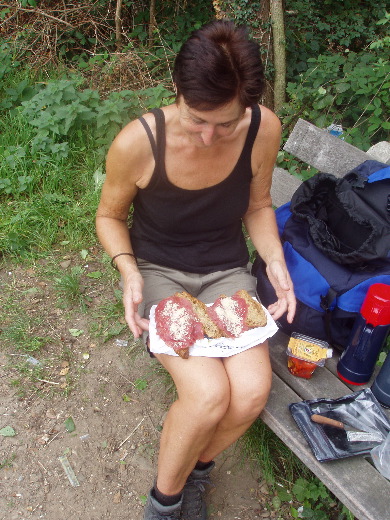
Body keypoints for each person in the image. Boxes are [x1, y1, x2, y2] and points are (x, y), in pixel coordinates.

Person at [96, 19, 296, 520]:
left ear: (248, 105)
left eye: (226, 123)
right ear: (177, 90)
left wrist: (273, 259)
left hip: (225, 271)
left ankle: (197, 472)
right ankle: (164, 504)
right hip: (159, 270)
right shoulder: (138, 143)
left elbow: (258, 204)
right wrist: (128, 270)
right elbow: (108, 217)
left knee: (249, 394)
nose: (209, 136)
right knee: (208, 395)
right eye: (196, 118)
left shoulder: (264, 128)